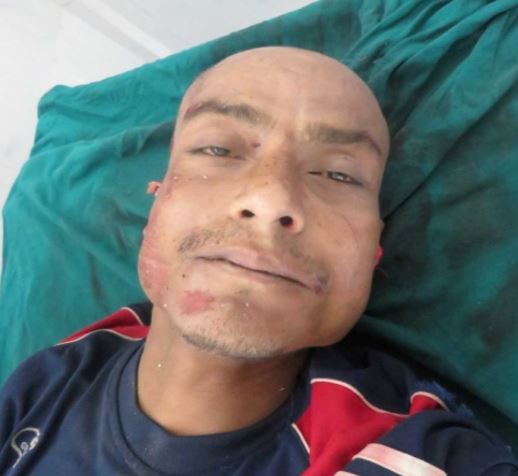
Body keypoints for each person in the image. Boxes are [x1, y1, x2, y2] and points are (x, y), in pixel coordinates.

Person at [0, 46, 516, 476]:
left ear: (374, 252)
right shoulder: (49, 381)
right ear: (156, 205)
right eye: (218, 149)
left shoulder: (422, 454)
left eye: (338, 175)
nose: (271, 199)